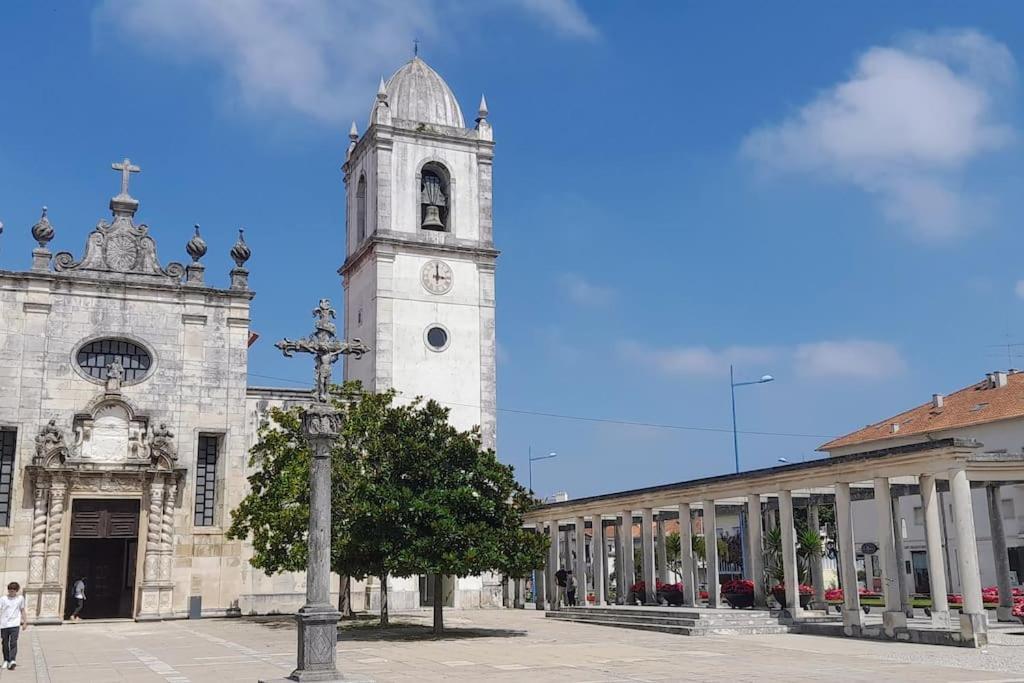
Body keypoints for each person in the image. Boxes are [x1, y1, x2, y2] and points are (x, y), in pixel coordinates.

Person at [1, 581, 28, 670]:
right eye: (10, 590)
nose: (11, 592)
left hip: (15, 624)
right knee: (5, 643)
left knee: (13, 642)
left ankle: (12, 660)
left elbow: (22, 610)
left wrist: (25, 622)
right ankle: (6, 660)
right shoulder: (3, 599)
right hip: (4, 624)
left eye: (13, 591)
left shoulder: (20, 599)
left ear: (16, 591)